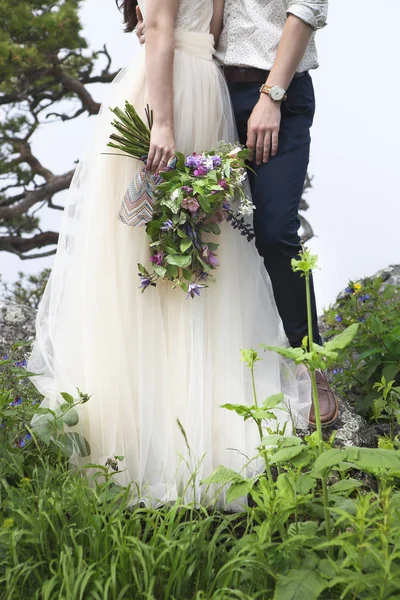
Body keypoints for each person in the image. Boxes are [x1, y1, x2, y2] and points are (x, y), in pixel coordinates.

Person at [28, 0, 312, 508]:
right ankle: (137, 437)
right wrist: (161, 123)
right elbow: (158, 28)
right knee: (149, 257)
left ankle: (198, 419)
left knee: (202, 258)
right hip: (170, 97)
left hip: (206, 93)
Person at [136, 0, 339, 427]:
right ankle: (197, 375)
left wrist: (272, 97)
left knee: (274, 229)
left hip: (277, 93)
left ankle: (310, 361)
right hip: (211, 90)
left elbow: (305, 11)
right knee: (198, 231)